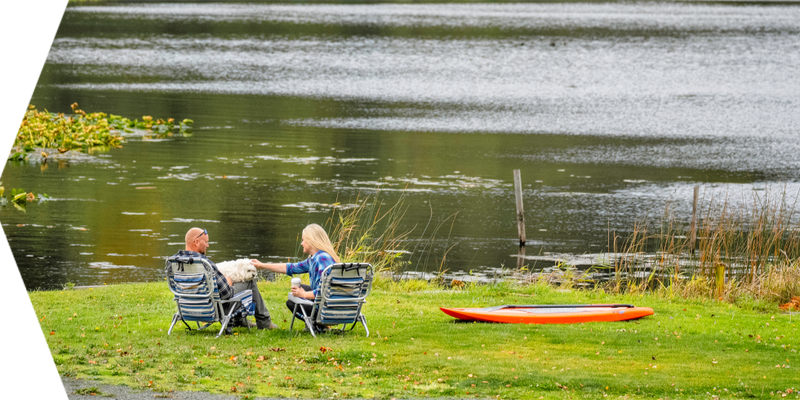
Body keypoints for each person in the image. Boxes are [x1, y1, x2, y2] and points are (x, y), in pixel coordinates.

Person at [168, 227, 278, 332]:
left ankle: (239, 321)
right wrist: (229, 283)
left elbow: (175, 288)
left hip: (187, 308)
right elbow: (226, 294)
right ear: (196, 242)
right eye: (206, 242)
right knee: (248, 281)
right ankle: (264, 322)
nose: (208, 245)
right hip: (212, 309)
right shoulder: (205, 264)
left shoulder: (173, 263)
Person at [250, 223, 340, 325]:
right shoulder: (314, 258)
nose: (302, 243)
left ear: (311, 240)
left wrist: (304, 294)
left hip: (328, 310)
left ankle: (319, 325)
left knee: (292, 302)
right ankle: (318, 324)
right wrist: (262, 265)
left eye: (303, 240)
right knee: (297, 290)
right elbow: (290, 268)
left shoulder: (322, 259)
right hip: (331, 304)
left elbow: (326, 291)